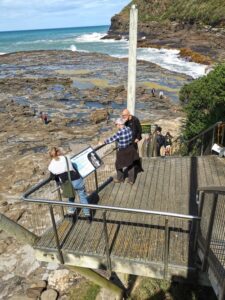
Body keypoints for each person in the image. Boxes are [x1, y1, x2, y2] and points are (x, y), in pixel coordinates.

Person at [48, 147, 91, 220]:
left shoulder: (51, 165)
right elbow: (73, 165)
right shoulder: (66, 157)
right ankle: (87, 215)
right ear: (58, 151)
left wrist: (58, 181)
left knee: (71, 197)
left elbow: (53, 177)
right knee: (82, 196)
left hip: (67, 183)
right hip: (77, 180)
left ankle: (71, 213)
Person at [104, 118, 139, 185]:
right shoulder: (128, 128)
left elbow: (111, 139)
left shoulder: (119, 132)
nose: (116, 125)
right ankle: (131, 180)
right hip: (130, 148)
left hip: (123, 151)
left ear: (119, 124)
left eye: (116, 124)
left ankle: (120, 179)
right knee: (130, 164)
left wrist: (103, 142)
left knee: (118, 165)